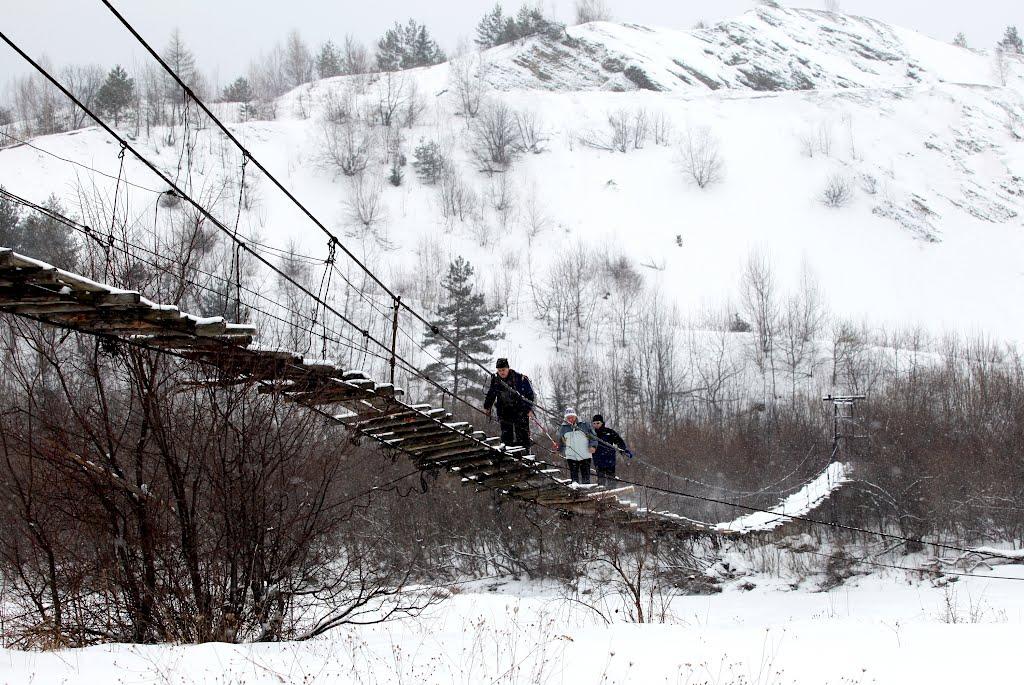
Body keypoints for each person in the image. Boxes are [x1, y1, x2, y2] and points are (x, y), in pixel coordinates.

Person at [483, 357, 535, 451]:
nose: (501, 372)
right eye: (499, 370)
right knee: (506, 436)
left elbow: (530, 395)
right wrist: (487, 406)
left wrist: (529, 409)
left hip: (520, 411)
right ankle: (508, 455)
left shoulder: (519, 378)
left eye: (503, 370)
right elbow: (492, 393)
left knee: (522, 435)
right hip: (504, 411)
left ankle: (524, 455)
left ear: (508, 368)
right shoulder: (495, 379)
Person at [555, 408, 598, 484]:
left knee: (586, 477)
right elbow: (561, 441)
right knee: (574, 478)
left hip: (585, 455)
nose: (570, 419)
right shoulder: (563, 428)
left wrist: (593, 446)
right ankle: (576, 494)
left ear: (576, 416)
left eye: (572, 417)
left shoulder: (584, 424)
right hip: (571, 456)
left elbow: (593, 437)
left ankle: (587, 493)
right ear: (566, 418)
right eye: (568, 418)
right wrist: (558, 450)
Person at [591, 414, 632, 487]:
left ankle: (612, 492)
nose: (596, 425)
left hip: (609, 460)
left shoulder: (609, 432)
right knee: (601, 481)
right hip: (598, 461)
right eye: (594, 423)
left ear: (602, 423)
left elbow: (619, 441)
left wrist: (624, 450)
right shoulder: (592, 434)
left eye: (598, 423)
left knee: (611, 479)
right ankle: (602, 495)